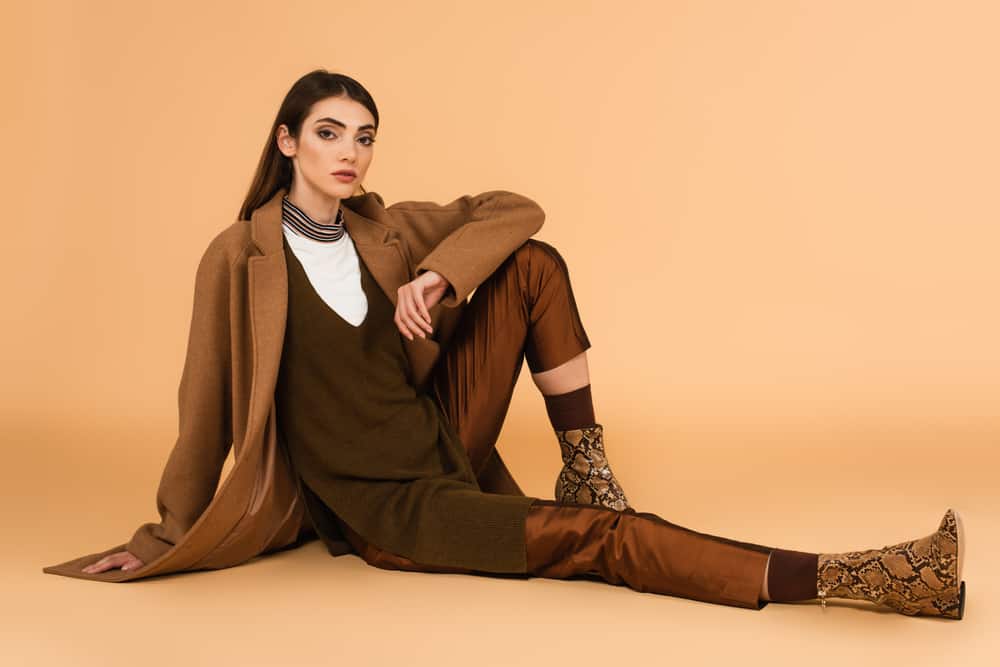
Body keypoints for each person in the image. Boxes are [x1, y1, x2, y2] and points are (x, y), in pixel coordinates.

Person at [56, 70, 965, 619]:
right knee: (607, 542)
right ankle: (858, 578)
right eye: (328, 133)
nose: (349, 152)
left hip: (442, 437)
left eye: (364, 137)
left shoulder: (383, 229)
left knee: (531, 264)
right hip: (396, 511)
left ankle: (586, 466)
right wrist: (165, 533)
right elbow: (205, 404)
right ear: (288, 141)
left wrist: (437, 275)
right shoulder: (240, 256)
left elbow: (516, 209)